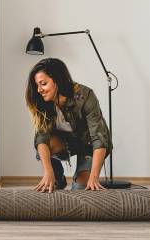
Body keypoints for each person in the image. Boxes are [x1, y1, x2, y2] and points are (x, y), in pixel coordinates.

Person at [25, 58, 113, 192]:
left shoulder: (85, 95)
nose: (39, 90)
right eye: (37, 85)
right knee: (44, 145)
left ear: (57, 81)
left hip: (88, 146)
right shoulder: (42, 101)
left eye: (43, 84)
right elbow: (41, 138)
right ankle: (57, 178)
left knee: (80, 190)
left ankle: (83, 177)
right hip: (65, 143)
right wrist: (48, 172)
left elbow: (99, 138)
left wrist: (94, 177)